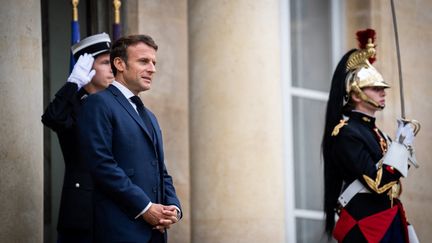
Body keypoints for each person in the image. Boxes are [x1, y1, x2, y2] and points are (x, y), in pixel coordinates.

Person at [77, 34, 182, 243]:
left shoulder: (149, 116)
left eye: (154, 62)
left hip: (155, 232)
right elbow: (102, 166)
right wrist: (145, 207)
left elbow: (160, 170)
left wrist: (173, 208)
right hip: (119, 230)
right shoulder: (98, 104)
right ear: (119, 64)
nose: (152, 69)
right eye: (143, 61)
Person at [322, 29, 419, 242]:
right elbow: (378, 183)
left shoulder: (378, 133)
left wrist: (403, 147)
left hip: (390, 218)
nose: (383, 92)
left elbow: (397, 173)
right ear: (356, 93)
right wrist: (400, 147)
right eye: (375, 88)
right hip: (367, 224)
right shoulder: (346, 133)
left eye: (382, 87)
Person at [41, 32, 114, 242]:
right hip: (82, 212)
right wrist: (73, 83)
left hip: (115, 210)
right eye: (105, 62)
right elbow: (52, 118)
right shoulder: (73, 105)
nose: (113, 68)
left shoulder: (114, 105)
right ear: (87, 66)